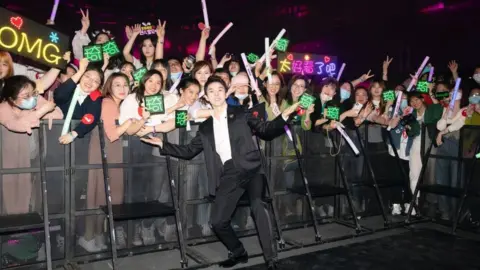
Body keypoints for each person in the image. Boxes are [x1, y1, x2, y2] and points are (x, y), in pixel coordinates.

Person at [141, 76, 299, 269]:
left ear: (226, 93)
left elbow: (265, 130)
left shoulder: (241, 112)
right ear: (206, 97)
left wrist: (284, 117)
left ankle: (271, 258)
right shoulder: (206, 127)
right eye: (211, 91)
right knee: (218, 222)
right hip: (230, 173)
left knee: (258, 206)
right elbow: (189, 151)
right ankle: (239, 252)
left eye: (219, 90)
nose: (216, 94)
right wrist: (162, 144)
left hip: (252, 168)